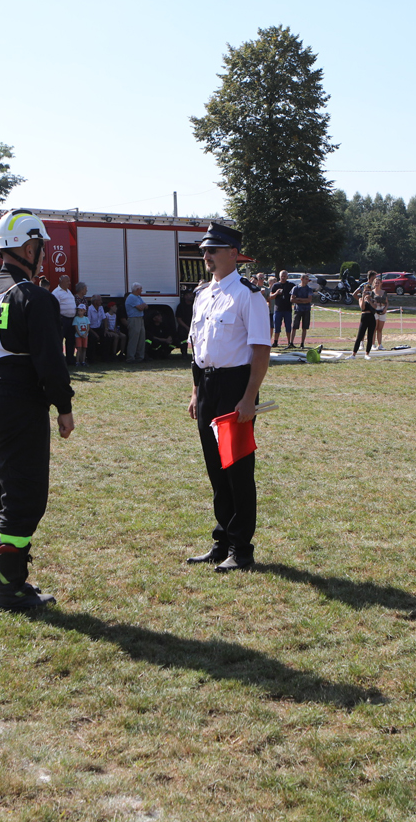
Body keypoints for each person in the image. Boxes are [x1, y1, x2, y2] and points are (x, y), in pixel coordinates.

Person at [0, 209, 74, 611]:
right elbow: (50, 361)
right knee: (24, 496)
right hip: (19, 402)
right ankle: (10, 590)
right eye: (40, 247)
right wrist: (64, 407)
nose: (42, 255)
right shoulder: (34, 297)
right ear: (29, 248)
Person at [184, 222, 269, 573]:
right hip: (207, 386)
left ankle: (242, 548)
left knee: (237, 470)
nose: (206, 255)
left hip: (236, 387)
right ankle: (222, 541)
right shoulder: (203, 294)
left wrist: (249, 398)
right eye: (205, 250)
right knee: (216, 470)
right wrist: (195, 391)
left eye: (213, 249)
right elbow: (196, 347)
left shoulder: (249, 295)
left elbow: (260, 350)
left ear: (233, 254)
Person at [351, 276, 380, 359]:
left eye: (368, 291)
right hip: (364, 317)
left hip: (371, 317)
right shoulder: (361, 299)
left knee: (370, 336)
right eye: (365, 291)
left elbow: (375, 307)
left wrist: (370, 300)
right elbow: (362, 307)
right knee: (359, 336)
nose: (367, 292)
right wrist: (363, 298)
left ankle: (367, 354)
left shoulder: (373, 299)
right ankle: (353, 354)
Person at [53, 274, 78, 364]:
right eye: (67, 281)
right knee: (59, 340)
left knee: (71, 340)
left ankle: (70, 359)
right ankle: (59, 359)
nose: (69, 283)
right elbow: (55, 307)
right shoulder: (56, 293)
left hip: (71, 320)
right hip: (62, 320)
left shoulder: (69, 292)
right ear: (62, 281)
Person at [268, 270, 295, 348]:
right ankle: (275, 342)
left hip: (287, 309)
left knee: (288, 326)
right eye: (282, 276)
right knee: (277, 327)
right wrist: (276, 293)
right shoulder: (275, 285)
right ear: (279, 276)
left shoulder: (291, 285)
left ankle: (289, 342)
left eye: (284, 276)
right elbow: (271, 297)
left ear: (287, 277)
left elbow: (295, 294)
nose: (283, 277)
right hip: (278, 309)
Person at [290, 273, 315, 348]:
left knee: (304, 327)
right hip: (298, 310)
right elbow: (292, 299)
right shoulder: (296, 288)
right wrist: (303, 301)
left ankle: (302, 343)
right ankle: (291, 343)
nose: (307, 281)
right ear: (302, 279)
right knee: (294, 326)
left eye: (308, 279)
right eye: (306, 279)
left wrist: (299, 299)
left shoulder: (309, 289)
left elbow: (309, 300)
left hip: (306, 310)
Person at [125, 283, 148, 362]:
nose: (141, 290)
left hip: (140, 318)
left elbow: (146, 306)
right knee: (134, 339)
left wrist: (143, 306)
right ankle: (130, 357)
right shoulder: (132, 297)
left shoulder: (138, 297)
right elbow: (141, 308)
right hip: (134, 319)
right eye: (141, 289)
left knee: (141, 338)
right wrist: (143, 305)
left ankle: (140, 357)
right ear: (137, 289)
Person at [371, 277, 390, 352]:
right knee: (374, 328)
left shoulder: (384, 292)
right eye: (375, 283)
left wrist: (385, 308)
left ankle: (380, 344)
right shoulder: (372, 292)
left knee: (380, 328)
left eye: (378, 283)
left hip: (382, 309)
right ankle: (373, 344)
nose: (377, 284)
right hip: (375, 310)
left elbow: (387, 302)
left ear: (381, 283)